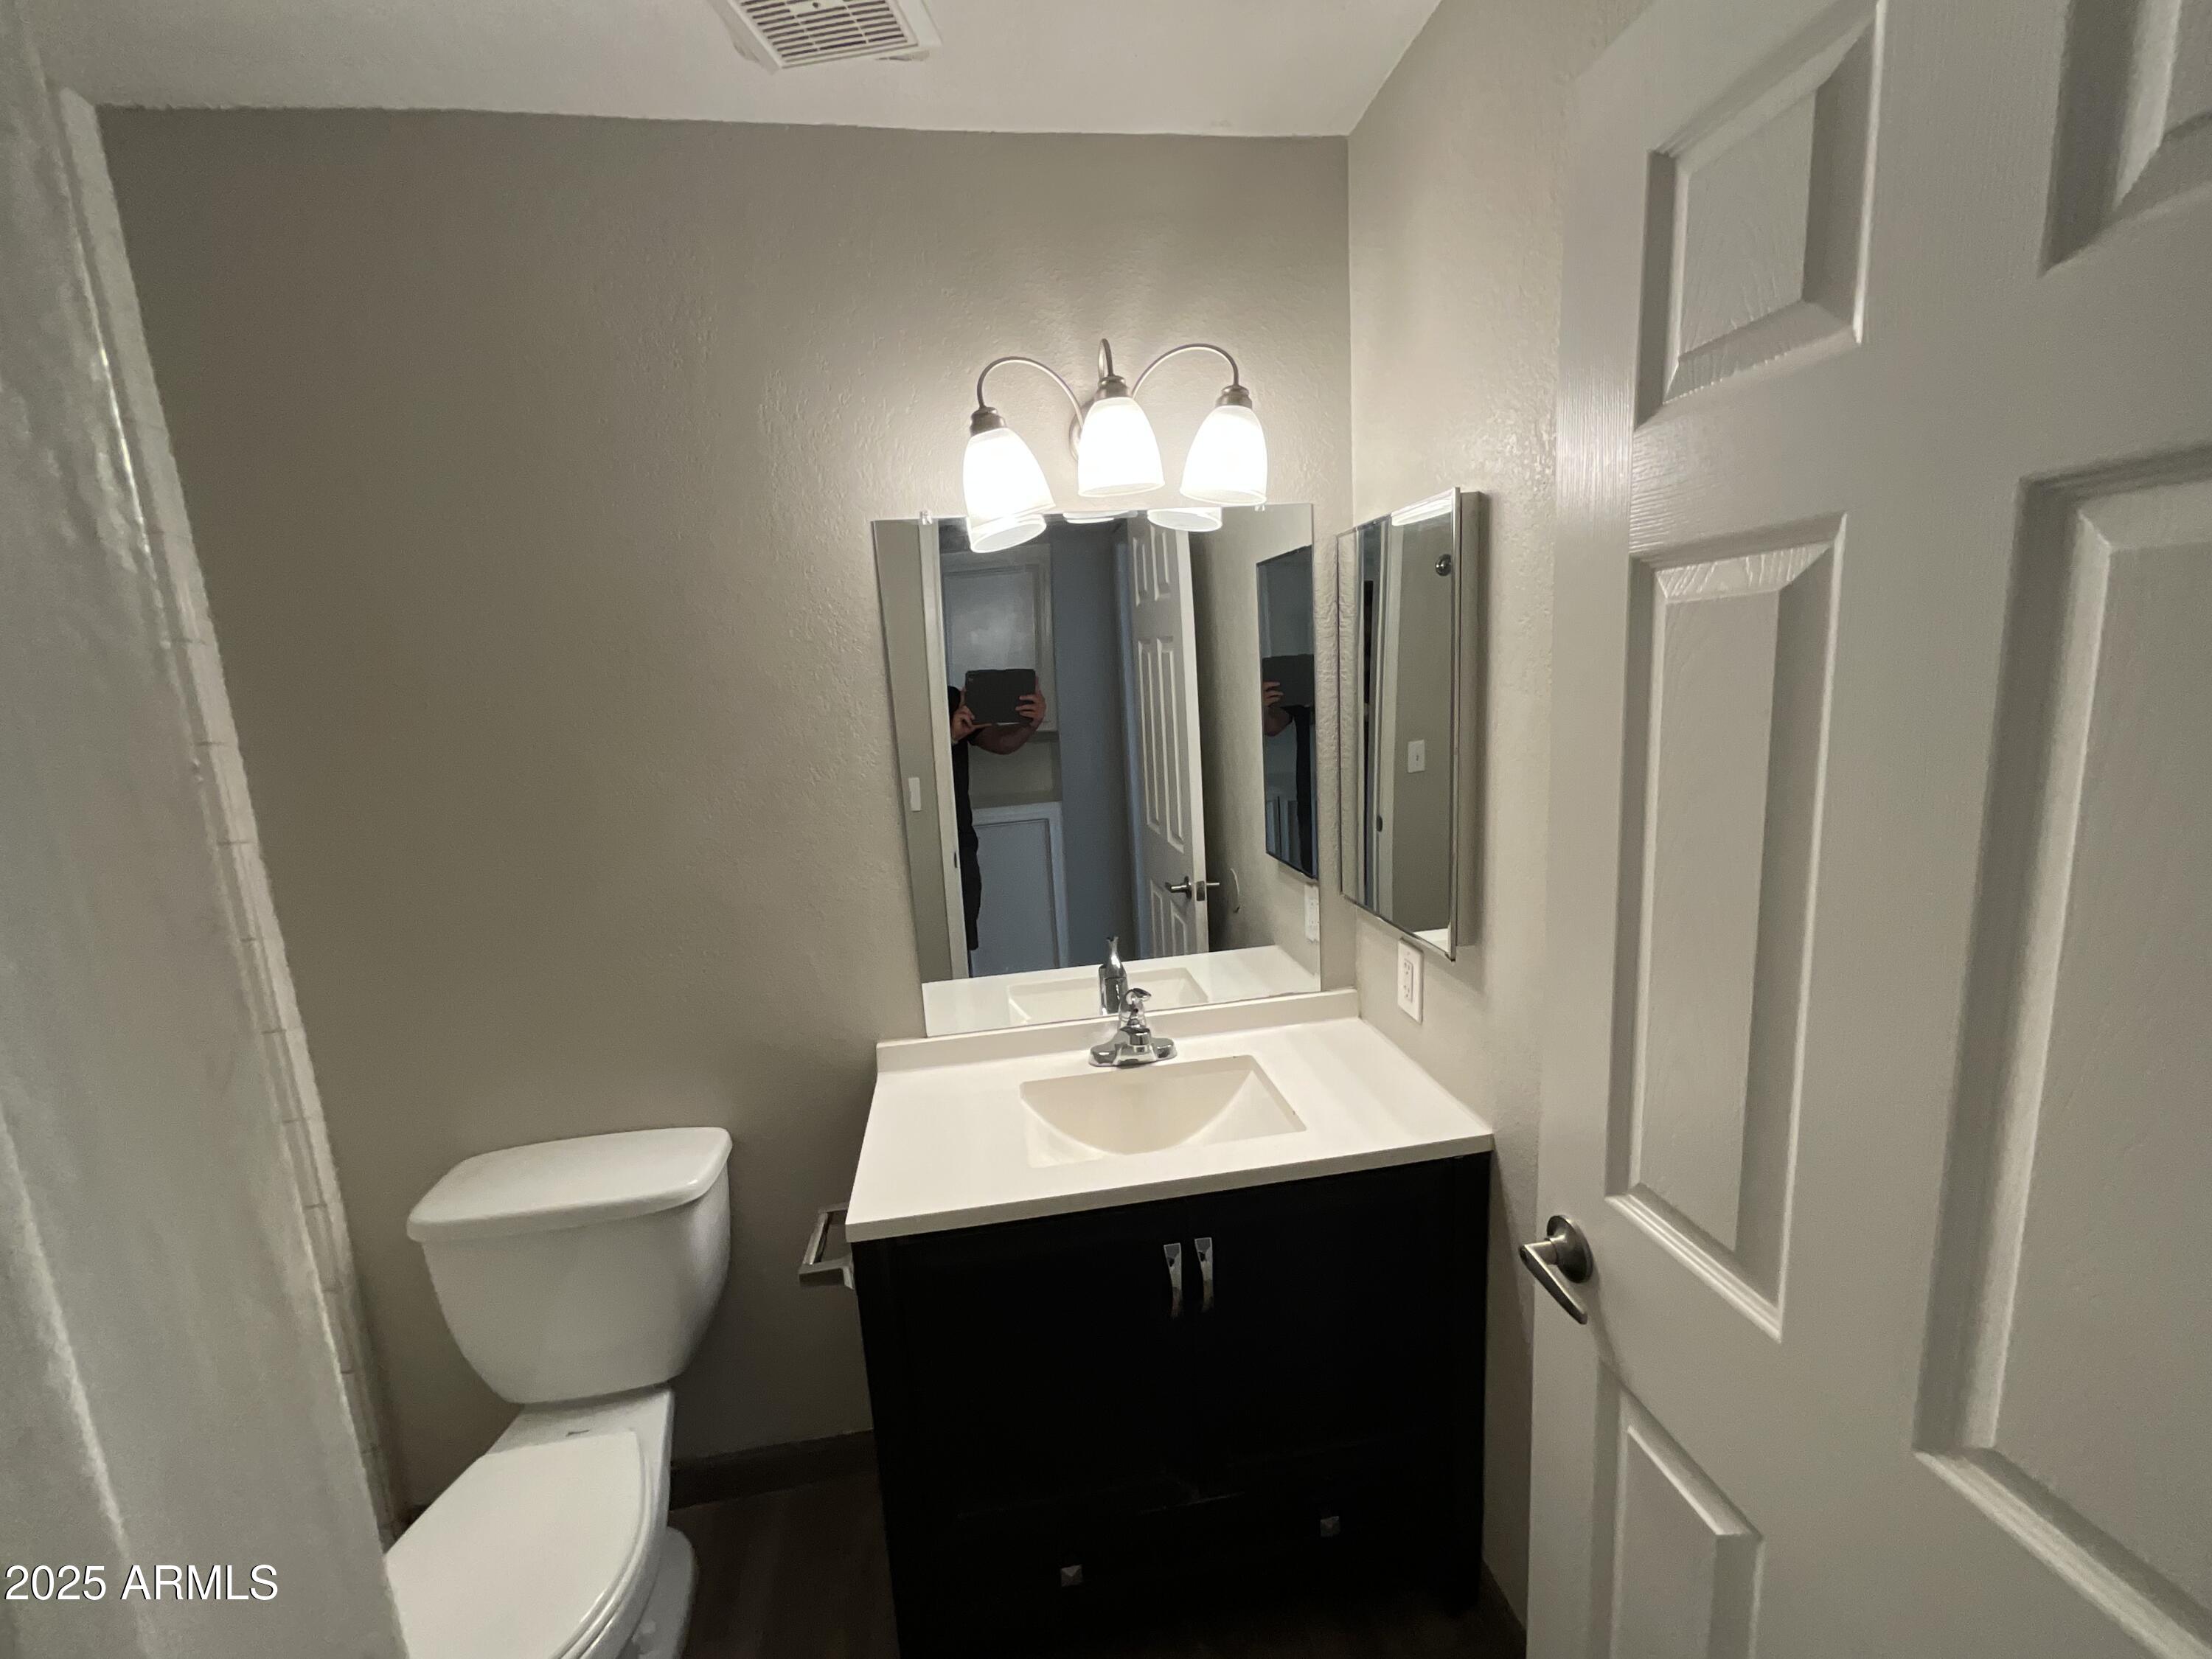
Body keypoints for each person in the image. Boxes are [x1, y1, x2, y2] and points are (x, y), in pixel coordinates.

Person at [947, 683, 1046, 956]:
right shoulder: (914, 704)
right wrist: (950, 737)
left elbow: (1001, 743)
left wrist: (1031, 724)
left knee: (960, 944)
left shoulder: (952, 698)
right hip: (928, 838)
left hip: (960, 841)